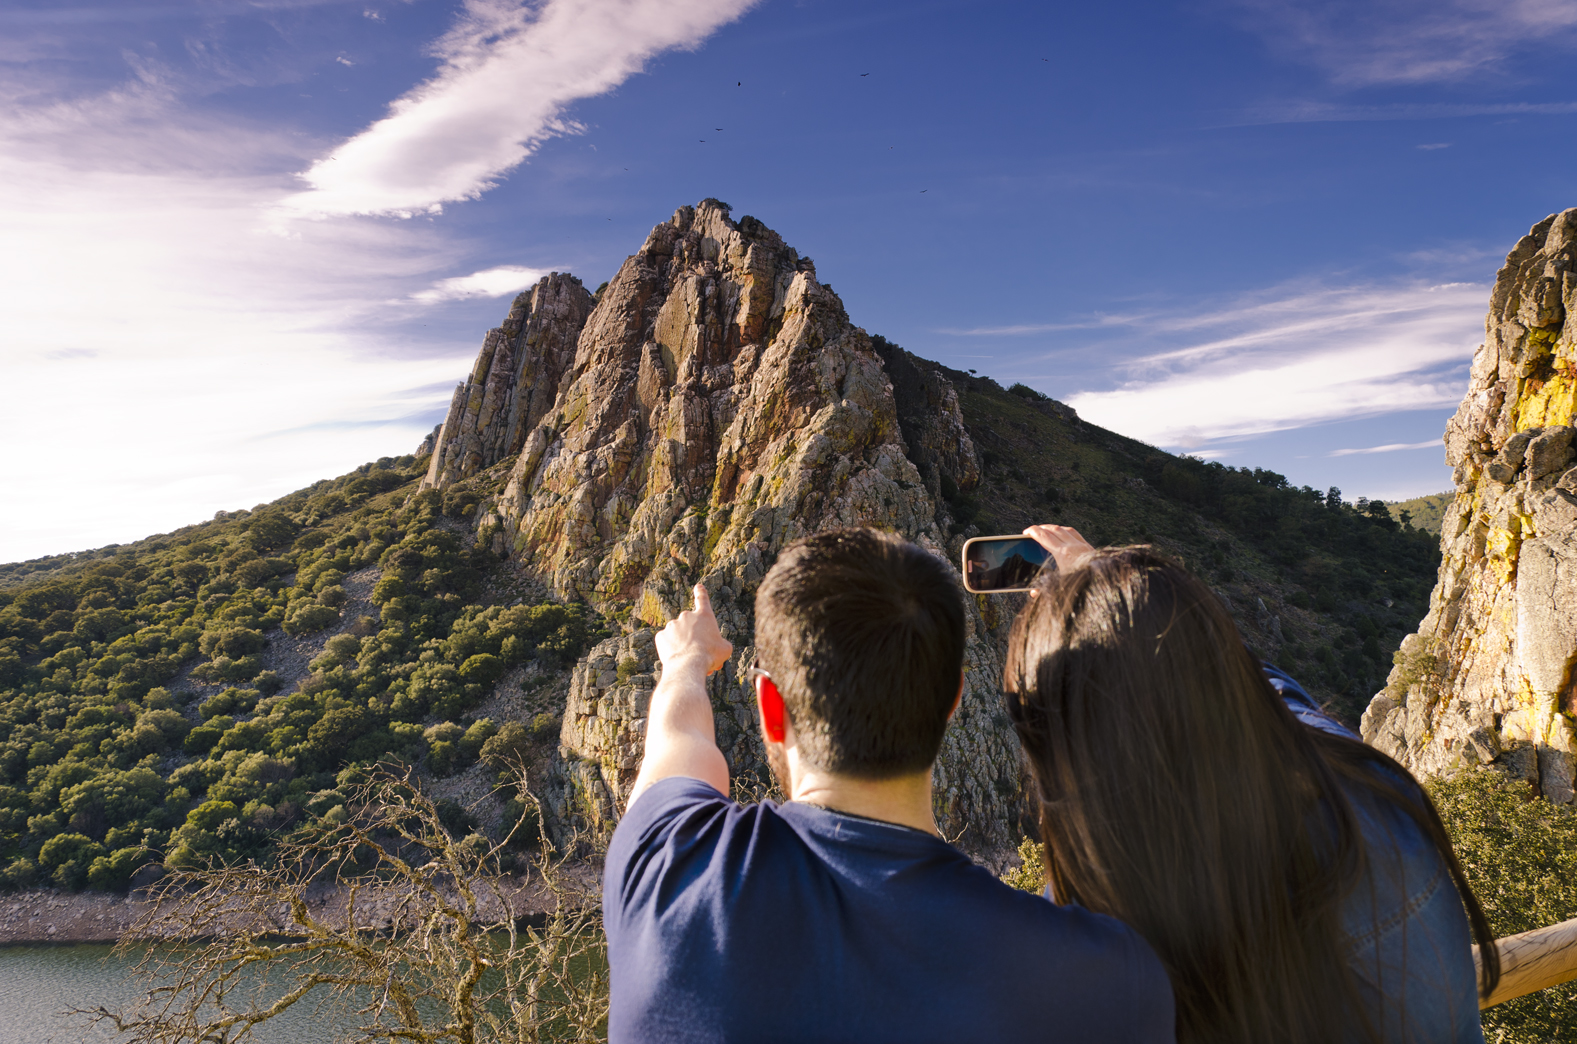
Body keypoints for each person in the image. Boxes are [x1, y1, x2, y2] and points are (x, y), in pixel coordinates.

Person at [602, 527, 1176, 1043]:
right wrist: (1106, 596)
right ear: (951, 701)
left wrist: (688, 658)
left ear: (770, 707)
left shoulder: (663, 871)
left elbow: (679, 738)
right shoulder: (1101, 982)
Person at [1004, 524, 1500, 1044]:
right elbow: (1269, 696)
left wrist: (1096, 603)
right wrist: (1119, 596)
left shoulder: (1080, 929)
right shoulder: (1372, 794)